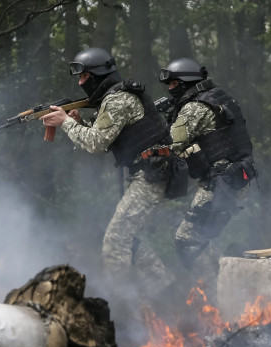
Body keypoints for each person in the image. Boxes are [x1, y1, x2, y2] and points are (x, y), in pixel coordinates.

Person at [41, 47, 178, 295]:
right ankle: (166, 292)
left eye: (84, 77)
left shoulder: (118, 99)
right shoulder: (114, 98)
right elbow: (105, 139)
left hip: (151, 173)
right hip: (146, 171)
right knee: (131, 239)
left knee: (116, 241)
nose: (81, 82)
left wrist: (66, 123)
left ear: (99, 75)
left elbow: (95, 144)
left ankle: (121, 307)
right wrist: (79, 123)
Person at [158, 57, 258, 289]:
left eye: (173, 84)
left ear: (185, 82)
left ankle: (215, 297)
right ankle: (217, 293)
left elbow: (171, 144)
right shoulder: (219, 97)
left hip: (222, 184)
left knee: (187, 241)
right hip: (233, 179)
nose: (170, 89)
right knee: (202, 240)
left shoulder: (195, 107)